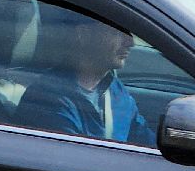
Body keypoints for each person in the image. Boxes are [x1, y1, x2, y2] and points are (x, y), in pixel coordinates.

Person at [14, 13, 154, 146]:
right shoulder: (48, 100)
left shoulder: (115, 89)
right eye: (117, 32)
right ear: (84, 34)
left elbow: (146, 140)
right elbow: (79, 163)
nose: (130, 43)